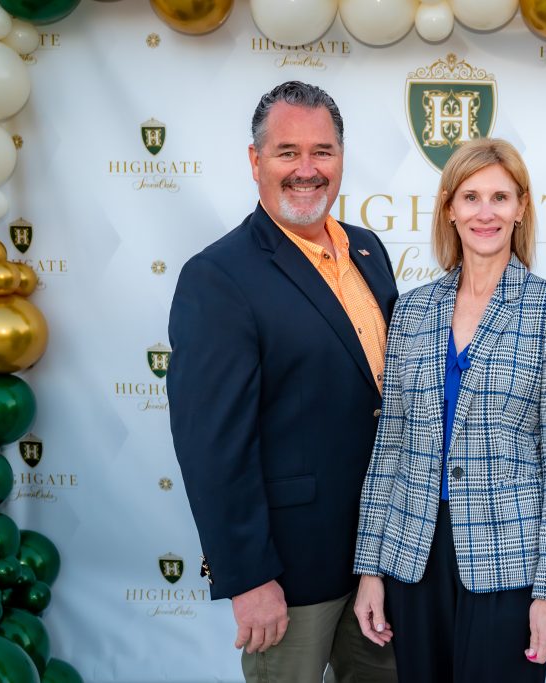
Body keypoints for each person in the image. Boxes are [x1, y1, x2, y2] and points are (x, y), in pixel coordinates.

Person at [167, 81, 398, 683]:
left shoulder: (368, 251)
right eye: (286, 152)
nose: (306, 169)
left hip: (383, 561)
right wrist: (245, 575)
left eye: (321, 151)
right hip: (289, 576)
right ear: (255, 161)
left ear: (341, 159)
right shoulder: (219, 276)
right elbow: (212, 445)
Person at [351, 138, 546, 683]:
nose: (486, 212)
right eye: (472, 197)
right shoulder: (411, 310)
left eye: (501, 197)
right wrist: (370, 568)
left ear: (522, 208)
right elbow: (390, 448)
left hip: (508, 563)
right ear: (449, 207)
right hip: (414, 558)